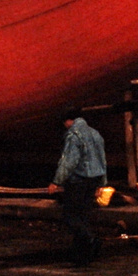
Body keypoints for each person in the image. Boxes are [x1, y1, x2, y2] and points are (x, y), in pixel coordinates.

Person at [49, 113, 108, 265]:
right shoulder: (95, 133)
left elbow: (69, 161)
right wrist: (102, 183)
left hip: (78, 181)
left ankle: (91, 240)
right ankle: (82, 253)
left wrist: (56, 181)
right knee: (83, 215)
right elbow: (102, 159)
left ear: (69, 121)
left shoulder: (74, 135)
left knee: (71, 216)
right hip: (94, 179)